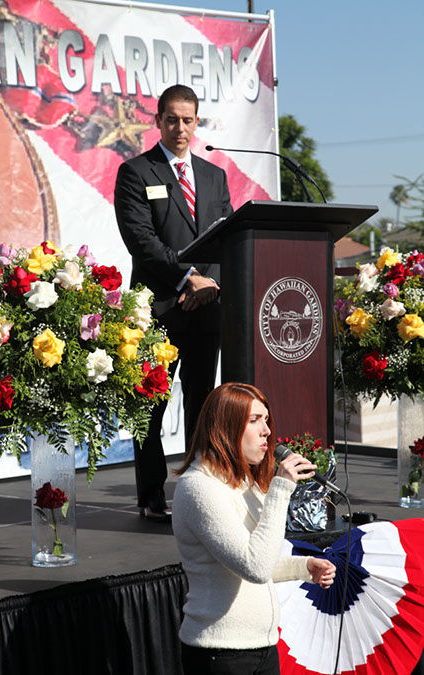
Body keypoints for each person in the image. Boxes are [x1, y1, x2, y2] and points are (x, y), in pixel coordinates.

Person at [114, 84, 233, 521]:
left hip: (207, 307)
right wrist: (188, 278)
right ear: (158, 120)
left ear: (196, 122)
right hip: (159, 308)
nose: (179, 127)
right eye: (171, 119)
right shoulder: (136, 172)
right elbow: (141, 241)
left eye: (187, 120)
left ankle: (199, 495)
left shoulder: (213, 175)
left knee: (204, 404)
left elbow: (229, 235)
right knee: (150, 406)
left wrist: (210, 284)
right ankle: (151, 496)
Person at [172, 382, 336, 675]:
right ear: (225, 427)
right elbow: (255, 567)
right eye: (254, 420)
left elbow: (253, 559)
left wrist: (303, 567)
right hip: (220, 654)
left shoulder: (241, 482)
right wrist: (281, 488)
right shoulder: (198, 488)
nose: (267, 431)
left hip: (261, 648)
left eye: (266, 420)